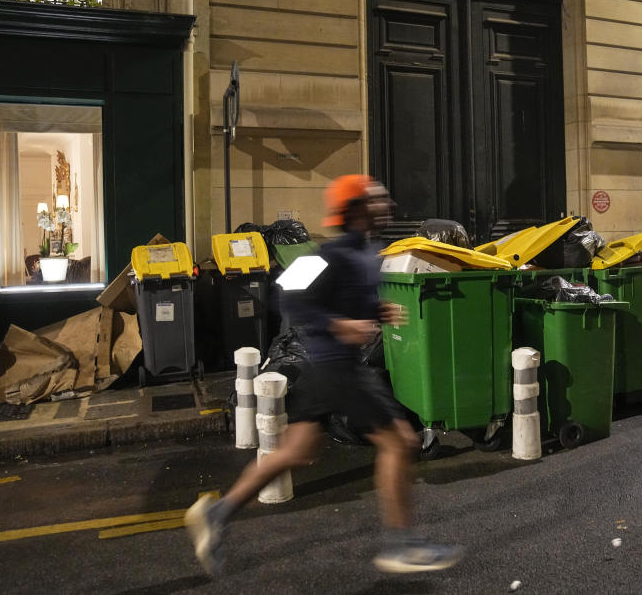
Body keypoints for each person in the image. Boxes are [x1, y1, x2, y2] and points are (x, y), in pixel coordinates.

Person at [185, 174, 463, 575]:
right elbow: (289, 296)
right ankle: (402, 545)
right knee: (400, 441)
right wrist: (338, 325)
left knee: (294, 453)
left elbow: (352, 300)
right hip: (336, 366)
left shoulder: (369, 252)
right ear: (353, 210)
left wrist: (376, 313)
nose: (385, 206)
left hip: (328, 370)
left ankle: (218, 513)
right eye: (374, 201)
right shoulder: (327, 254)